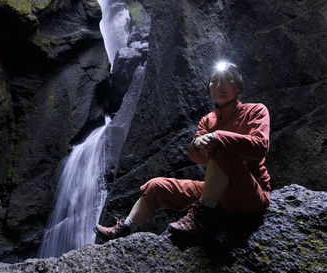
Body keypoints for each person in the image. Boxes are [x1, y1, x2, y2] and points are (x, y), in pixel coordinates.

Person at [94, 62, 271, 239]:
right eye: (214, 81)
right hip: (219, 195)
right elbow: (196, 157)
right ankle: (124, 228)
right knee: (156, 186)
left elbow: (260, 147)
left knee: (222, 147)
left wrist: (218, 137)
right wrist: (198, 144)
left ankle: (202, 216)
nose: (219, 86)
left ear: (238, 87)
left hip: (250, 195)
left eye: (226, 81)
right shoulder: (208, 120)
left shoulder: (255, 111)